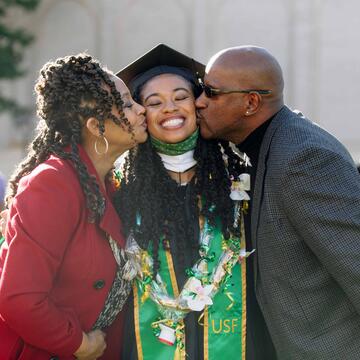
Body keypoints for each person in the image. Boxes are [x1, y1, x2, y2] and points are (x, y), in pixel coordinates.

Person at [195, 45, 360, 359]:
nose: (199, 101)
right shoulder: (268, 145)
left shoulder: (303, 158)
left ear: (251, 103)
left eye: (211, 92)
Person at [0, 53, 147, 359]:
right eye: (128, 104)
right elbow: (20, 299)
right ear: (96, 126)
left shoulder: (107, 185)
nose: (141, 110)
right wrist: (78, 343)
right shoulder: (52, 183)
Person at [115, 44, 251, 360]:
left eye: (180, 97)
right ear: (140, 113)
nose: (170, 108)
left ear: (198, 104)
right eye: (154, 102)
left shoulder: (239, 183)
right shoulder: (122, 190)